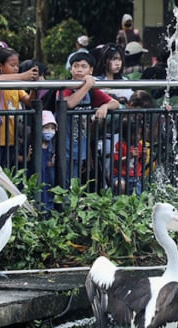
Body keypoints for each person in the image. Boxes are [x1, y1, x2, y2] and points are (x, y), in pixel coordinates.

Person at [62, 52, 119, 183]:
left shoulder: (92, 91)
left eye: (83, 66)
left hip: (81, 144)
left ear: (91, 70)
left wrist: (104, 107)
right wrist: (87, 85)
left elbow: (115, 103)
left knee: (75, 180)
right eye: (76, 66)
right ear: (71, 69)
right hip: (63, 144)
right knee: (65, 180)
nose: (79, 70)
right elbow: (69, 103)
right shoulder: (65, 86)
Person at [0, 46, 39, 166]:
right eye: (12, 65)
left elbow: (29, 101)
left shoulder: (15, 86)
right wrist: (23, 76)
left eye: (17, 66)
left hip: (10, 141)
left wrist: (34, 87)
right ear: (0, 66)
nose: (16, 69)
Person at [40, 110, 57, 210]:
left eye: (52, 128)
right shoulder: (32, 143)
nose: (49, 131)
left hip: (48, 177)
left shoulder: (52, 145)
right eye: (46, 127)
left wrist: (51, 163)